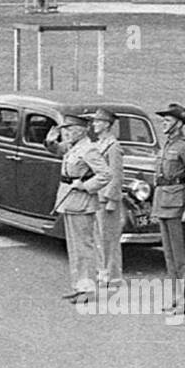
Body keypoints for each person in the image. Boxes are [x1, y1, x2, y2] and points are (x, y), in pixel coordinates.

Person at [50, 113, 109, 303]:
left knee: (84, 247)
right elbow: (58, 149)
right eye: (65, 130)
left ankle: (88, 289)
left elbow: (105, 174)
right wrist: (50, 141)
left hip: (82, 203)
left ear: (80, 131)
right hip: (69, 201)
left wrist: (86, 186)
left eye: (69, 130)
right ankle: (79, 286)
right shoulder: (74, 147)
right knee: (74, 249)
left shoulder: (88, 149)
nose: (66, 134)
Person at [154, 103, 185, 316]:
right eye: (163, 118)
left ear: (179, 123)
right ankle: (175, 298)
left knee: (181, 258)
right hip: (163, 203)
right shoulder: (166, 145)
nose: (164, 121)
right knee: (169, 257)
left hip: (178, 206)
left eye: (168, 119)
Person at [89, 108, 125, 288]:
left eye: (98, 121)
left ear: (106, 125)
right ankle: (102, 272)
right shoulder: (99, 144)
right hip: (97, 196)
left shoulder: (113, 146)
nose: (94, 124)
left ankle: (113, 275)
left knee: (109, 239)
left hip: (106, 199)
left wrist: (112, 199)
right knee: (99, 237)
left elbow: (117, 175)